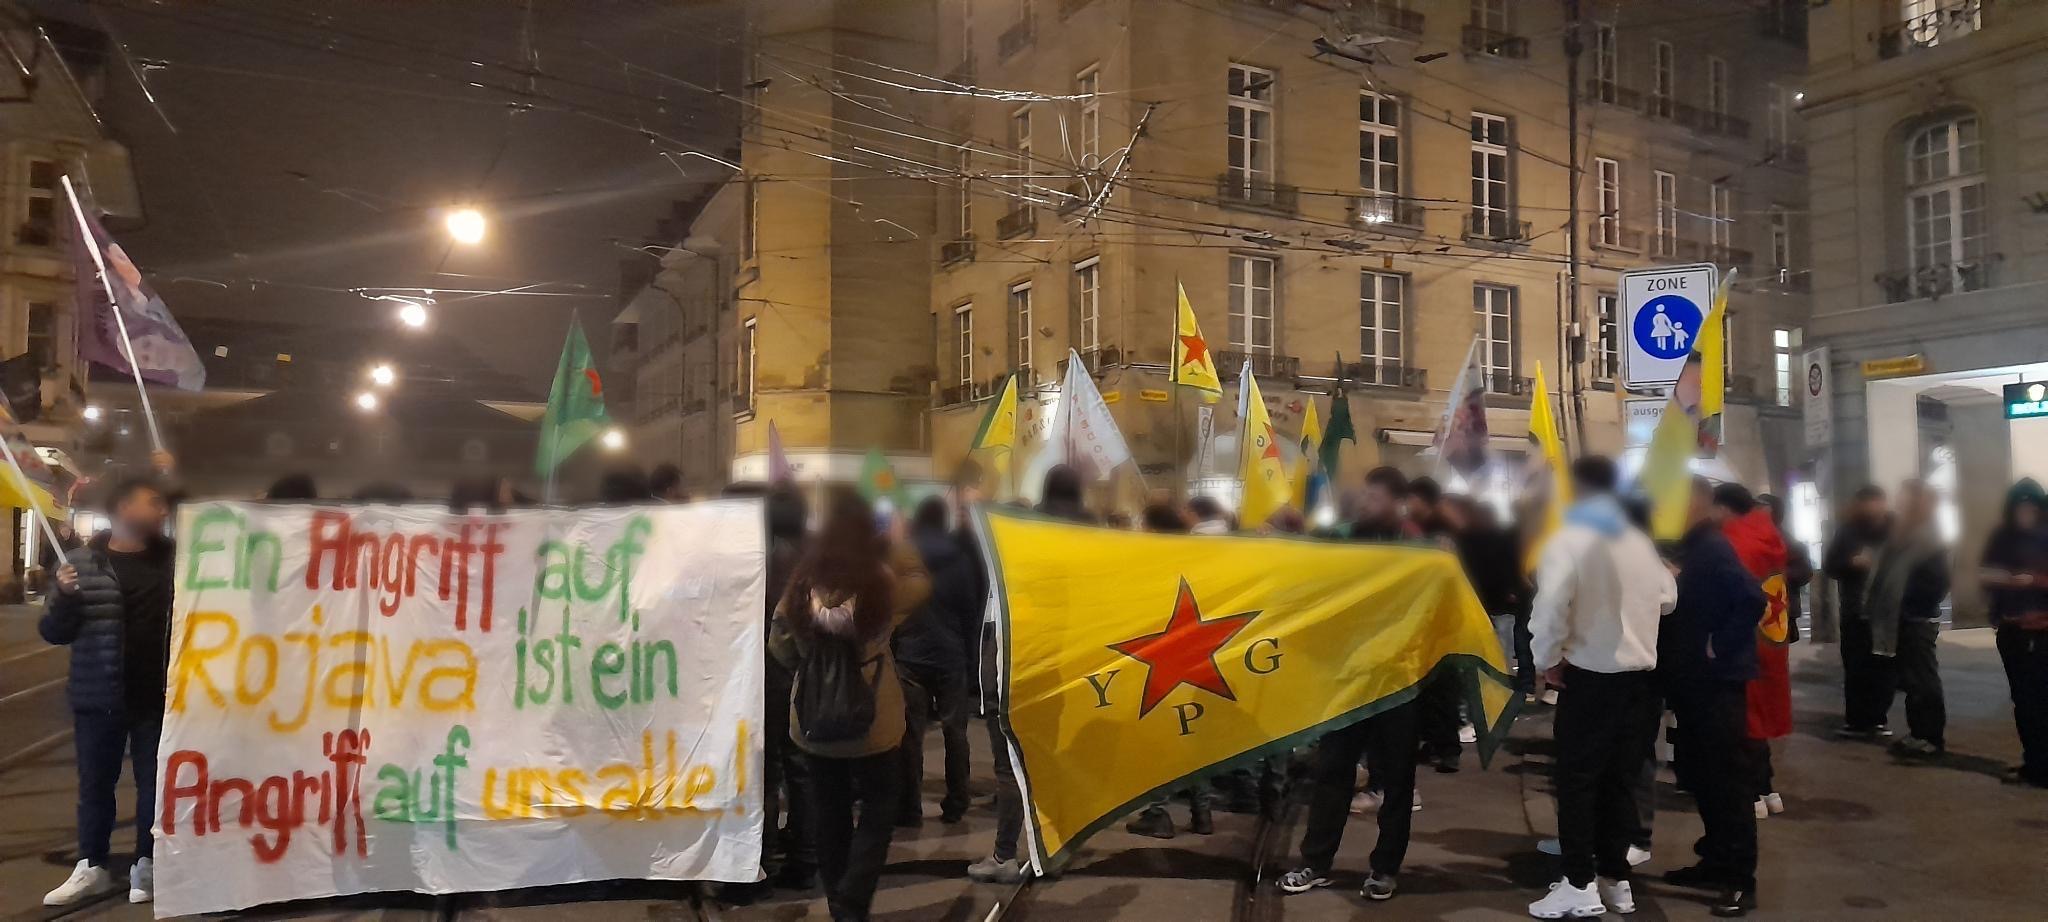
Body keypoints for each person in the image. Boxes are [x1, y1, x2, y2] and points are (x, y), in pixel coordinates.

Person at [768, 487, 928, 922]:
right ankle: (853, 899)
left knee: (829, 811)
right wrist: (896, 540)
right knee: (879, 808)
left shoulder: (802, 581)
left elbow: (779, 644)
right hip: (875, 719)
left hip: (814, 722)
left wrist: (809, 663)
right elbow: (921, 585)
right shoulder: (881, 581)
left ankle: (841, 903)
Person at [1525, 457, 1674, 920]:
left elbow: (1549, 607)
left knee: (1577, 783)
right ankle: (1615, 879)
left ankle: (1578, 883)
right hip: (1640, 684)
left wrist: (1546, 661)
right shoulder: (1637, 541)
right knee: (1621, 783)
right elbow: (1669, 598)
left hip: (1591, 680)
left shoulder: (1569, 541)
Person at [40, 478, 176, 906]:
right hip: (98, 696)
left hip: (159, 698)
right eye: (151, 502)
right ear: (123, 508)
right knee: (96, 786)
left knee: (155, 787)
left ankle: (147, 864)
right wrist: (63, 596)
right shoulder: (80, 564)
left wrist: (171, 475)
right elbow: (54, 632)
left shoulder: (177, 562)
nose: (161, 511)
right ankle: (91, 865)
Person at [970, 467, 1089, 884]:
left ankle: (1005, 855)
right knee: (1051, 759)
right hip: (1061, 663)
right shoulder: (1091, 539)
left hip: (1013, 660)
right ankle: (1057, 848)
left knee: (1010, 764)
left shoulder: (1022, 533)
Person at [1659, 478, 1767, 917]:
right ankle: (1717, 860)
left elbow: (1751, 599)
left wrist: (1717, 646)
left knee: (1727, 783)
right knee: (1704, 779)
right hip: (1693, 684)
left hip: (1717, 684)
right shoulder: (1691, 547)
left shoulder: (1713, 548)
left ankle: (1741, 878)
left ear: (1697, 504)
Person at [896, 497, 981, 826]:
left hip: (910, 655)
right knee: (955, 732)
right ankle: (957, 801)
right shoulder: (959, 558)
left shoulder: (903, 556)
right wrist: (970, 660)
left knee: (910, 734)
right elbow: (971, 612)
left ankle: (910, 806)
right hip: (951, 655)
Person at [1712, 484, 1792, 822]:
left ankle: (1752, 792)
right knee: (1756, 715)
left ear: (1725, 508)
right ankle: (1768, 789)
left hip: (1744, 641)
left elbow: (1732, 595)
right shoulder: (1768, 537)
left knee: (1744, 718)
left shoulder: (1736, 542)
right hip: (1770, 638)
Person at [1864, 479, 1951, 759]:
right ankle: (1918, 733)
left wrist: (1911, 604)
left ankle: (1931, 737)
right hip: (1901, 617)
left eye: (1904, 499)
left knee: (1923, 679)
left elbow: (1937, 582)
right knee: (1912, 681)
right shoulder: (1902, 534)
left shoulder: (1928, 537)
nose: (1898, 504)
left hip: (1917, 618)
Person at [761, 487, 815, 890]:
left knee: (764, 770)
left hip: (761, 679)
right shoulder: (814, 563)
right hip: (805, 680)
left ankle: (759, 856)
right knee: (801, 769)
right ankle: (805, 858)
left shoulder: (756, 559)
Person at [1979, 479, 2048, 788]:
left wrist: (2032, 580)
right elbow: (1986, 572)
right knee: (2023, 699)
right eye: (2021, 507)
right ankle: (2033, 762)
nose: (2025, 513)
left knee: (2038, 699)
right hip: (2010, 628)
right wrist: (2001, 582)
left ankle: (2041, 767)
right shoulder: (2002, 536)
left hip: (2039, 628)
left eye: (2031, 507)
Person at [1824, 486, 1894, 738]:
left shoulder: (1895, 529)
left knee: (1883, 664)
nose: (1873, 508)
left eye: (1878, 503)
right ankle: (1856, 719)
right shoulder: (1847, 531)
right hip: (1855, 608)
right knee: (1855, 665)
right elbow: (1830, 565)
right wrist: (1852, 563)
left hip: (1886, 610)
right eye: (1868, 503)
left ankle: (1878, 717)